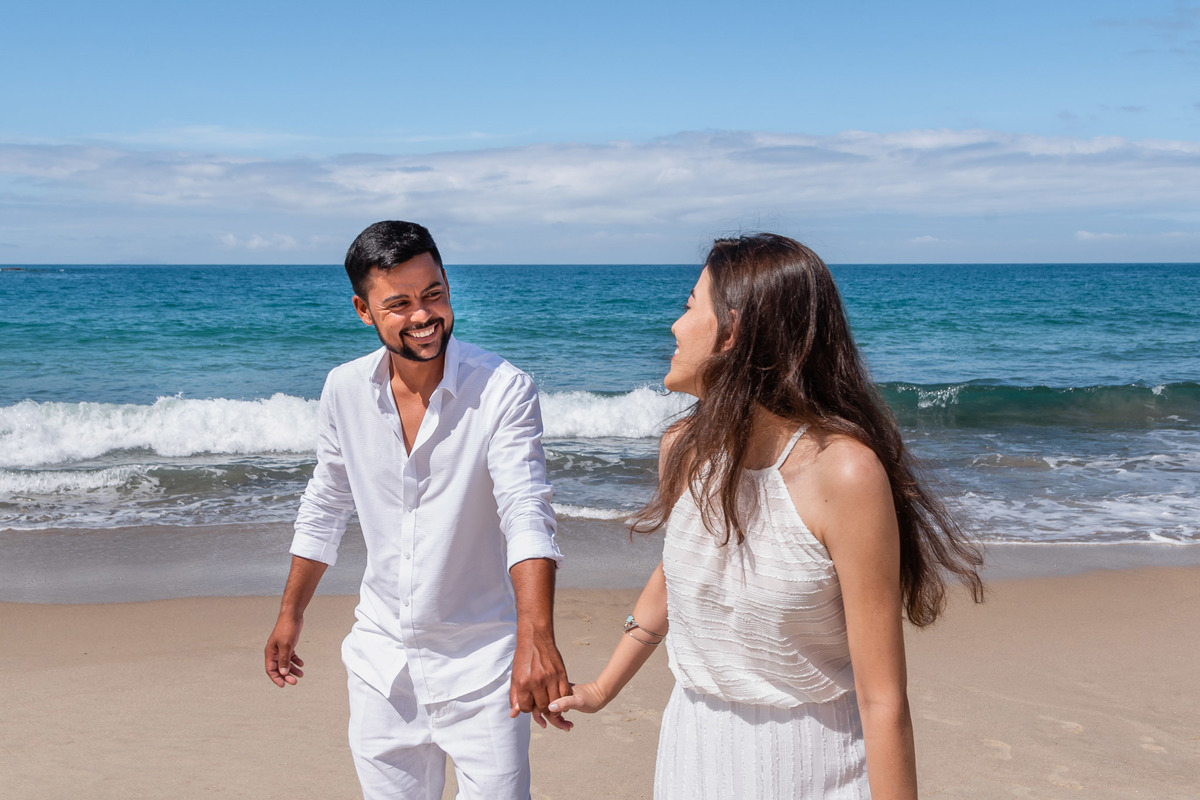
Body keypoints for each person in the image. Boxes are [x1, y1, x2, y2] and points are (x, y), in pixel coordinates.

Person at [549, 233, 983, 799]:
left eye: (687, 307)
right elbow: (680, 571)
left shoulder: (843, 473)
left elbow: (883, 700)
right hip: (693, 754)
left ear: (732, 331)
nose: (674, 327)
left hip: (814, 766)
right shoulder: (684, 446)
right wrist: (604, 687)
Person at [264, 220, 571, 800]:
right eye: (399, 304)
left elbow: (525, 509)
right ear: (363, 310)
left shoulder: (503, 388)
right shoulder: (343, 389)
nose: (423, 316)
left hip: (484, 666)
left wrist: (538, 635)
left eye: (433, 294)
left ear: (448, 285)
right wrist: (291, 612)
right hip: (382, 665)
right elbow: (327, 501)